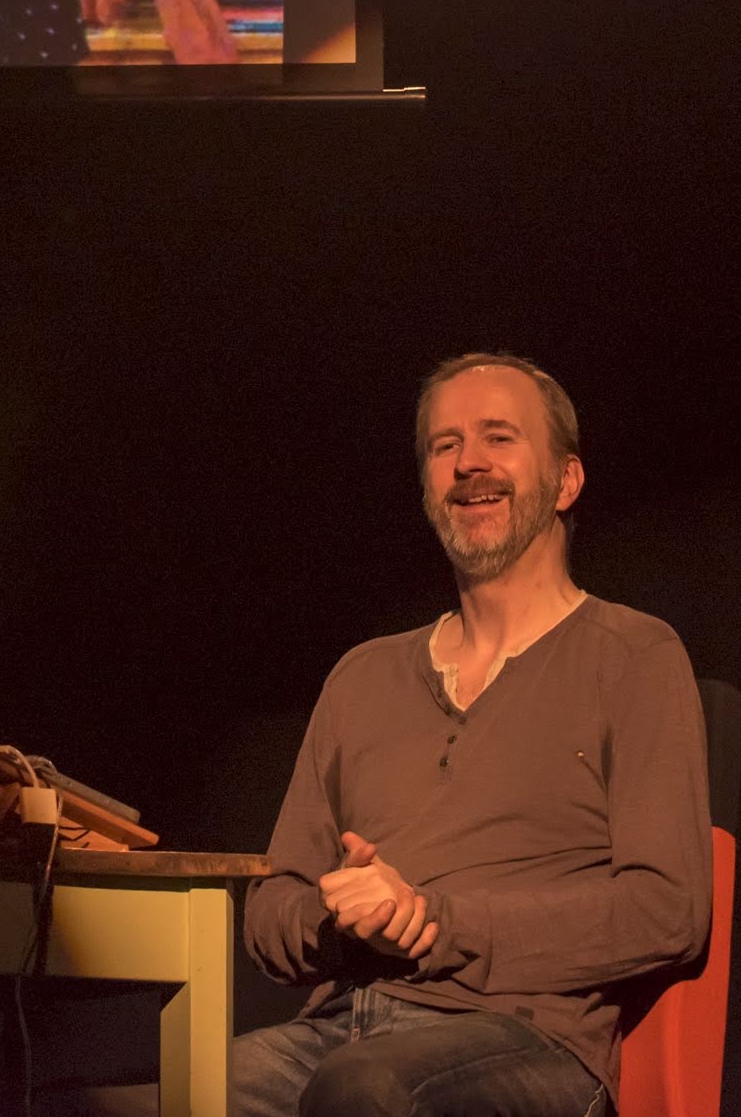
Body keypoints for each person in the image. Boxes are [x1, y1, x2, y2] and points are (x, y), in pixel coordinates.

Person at [235, 352, 713, 1117]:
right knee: (127, 1097)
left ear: (566, 481)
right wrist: (349, 924)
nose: (469, 464)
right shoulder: (362, 675)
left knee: (362, 1091)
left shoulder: (633, 656)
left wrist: (434, 923)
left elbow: (667, 910)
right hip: (333, 1031)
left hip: (525, 1041)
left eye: (499, 437)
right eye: (445, 445)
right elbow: (270, 908)